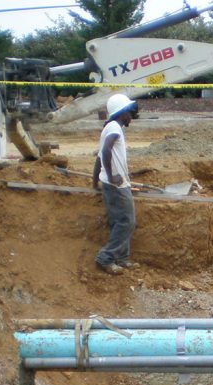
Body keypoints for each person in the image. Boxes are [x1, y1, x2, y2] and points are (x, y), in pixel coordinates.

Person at [92, 93, 138, 276]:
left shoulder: (110, 127)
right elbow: (105, 150)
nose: (131, 117)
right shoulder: (114, 129)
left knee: (119, 222)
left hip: (111, 183)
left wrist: (95, 180)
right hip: (117, 186)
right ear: (122, 112)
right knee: (127, 222)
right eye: (129, 113)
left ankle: (121, 258)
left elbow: (99, 157)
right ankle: (106, 258)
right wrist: (111, 177)